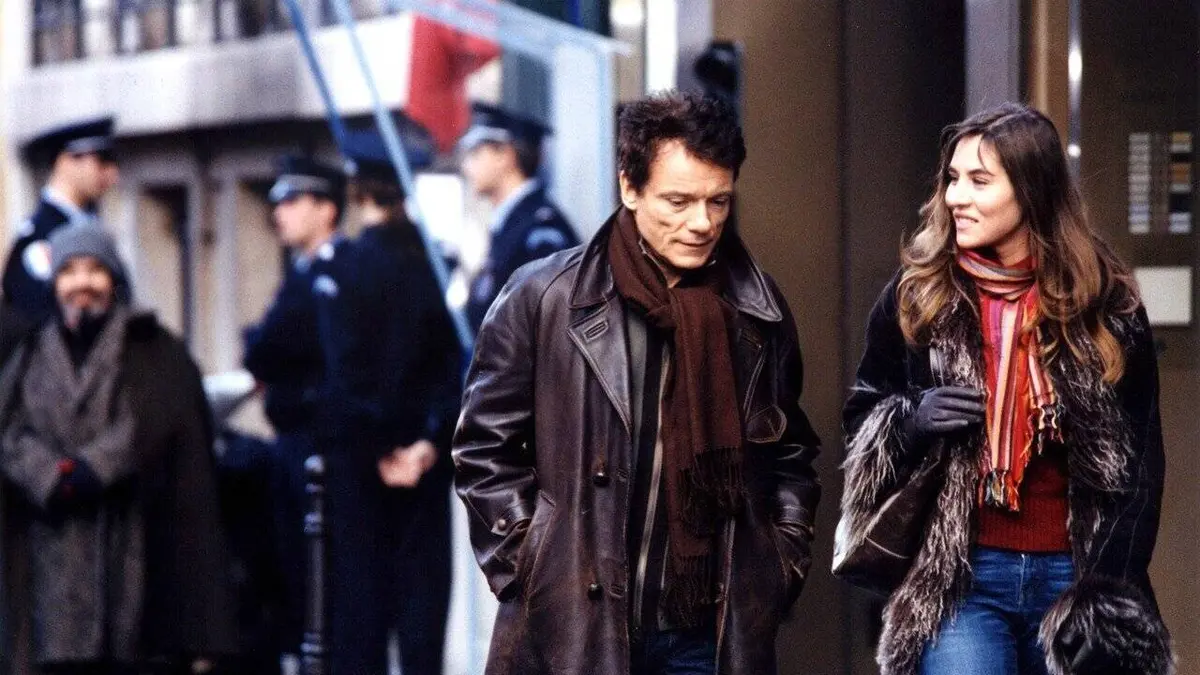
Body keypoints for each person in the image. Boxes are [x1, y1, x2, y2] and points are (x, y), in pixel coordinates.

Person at [453, 91, 821, 675]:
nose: (702, 223)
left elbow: (790, 454)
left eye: (718, 201)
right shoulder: (545, 296)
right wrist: (529, 562)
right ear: (630, 187)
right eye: (679, 201)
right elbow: (483, 447)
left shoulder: (757, 311)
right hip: (573, 624)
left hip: (707, 635)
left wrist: (779, 563)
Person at [837, 103, 1171, 675]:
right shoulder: (919, 294)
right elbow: (860, 417)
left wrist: (1106, 591)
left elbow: (1141, 464)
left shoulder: (1105, 305)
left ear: (1031, 190)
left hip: (1075, 576)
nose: (955, 197)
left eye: (979, 181)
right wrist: (910, 420)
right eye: (952, 178)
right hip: (961, 577)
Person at [0, 224, 235, 674]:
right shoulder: (29, 351)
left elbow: (154, 420)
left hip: (130, 542)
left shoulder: (153, 351)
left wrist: (95, 467)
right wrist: (51, 474)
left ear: (112, 277)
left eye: (94, 270)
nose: (82, 283)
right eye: (69, 271)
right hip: (46, 551)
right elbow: (11, 429)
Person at [326, 130, 462, 675]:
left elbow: (346, 373)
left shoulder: (346, 268)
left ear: (358, 191)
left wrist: (384, 448)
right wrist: (427, 442)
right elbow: (455, 366)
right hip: (424, 467)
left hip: (365, 472)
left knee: (362, 629)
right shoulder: (436, 265)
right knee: (421, 626)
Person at [242, 154, 352, 664]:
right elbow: (260, 349)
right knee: (293, 575)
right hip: (291, 439)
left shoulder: (336, 272)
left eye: (292, 201)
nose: (279, 213)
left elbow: (272, 348)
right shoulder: (301, 273)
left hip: (319, 443)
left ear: (325, 209)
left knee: (324, 582)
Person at [458, 103, 579, 331]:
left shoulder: (540, 228)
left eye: (475, 153)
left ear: (504, 156)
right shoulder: (511, 223)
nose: (466, 167)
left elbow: (548, 323)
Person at [3, 117, 123, 329]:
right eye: (102, 160)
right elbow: (36, 321)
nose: (112, 174)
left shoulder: (90, 226)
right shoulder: (40, 238)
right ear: (66, 161)